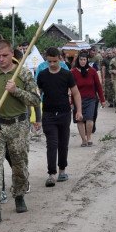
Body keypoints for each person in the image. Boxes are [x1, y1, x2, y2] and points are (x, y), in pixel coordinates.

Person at [0, 34, 40, 223]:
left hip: (19, 126)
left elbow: (35, 100)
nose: (1, 59)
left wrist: (16, 91)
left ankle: (19, 195)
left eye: (4, 55)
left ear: (11, 53)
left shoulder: (22, 74)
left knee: (19, 165)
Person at [36, 47, 82, 186]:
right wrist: (36, 116)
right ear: (46, 59)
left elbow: (76, 93)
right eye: (49, 61)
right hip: (48, 114)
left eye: (54, 61)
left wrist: (78, 110)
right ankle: (51, 174)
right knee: (52, 144)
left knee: (63, 143)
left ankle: (62, 170)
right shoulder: (42, 75)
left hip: (64, 113)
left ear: (59, 59)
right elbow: (37, 95)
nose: (52, 64)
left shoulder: (66, 74)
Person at [71, 49, 104, 146]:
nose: (82, 61)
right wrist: (71, 102)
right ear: (78, 60)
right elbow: (70, 88)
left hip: (91, 99)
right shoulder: (73, 72)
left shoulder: (92, 71)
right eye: (81, 59)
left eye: (84, 59)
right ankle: (83, 140)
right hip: (78, 100)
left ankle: (89, 137)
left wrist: (102, 100)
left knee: (89, 118)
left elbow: (98, 86)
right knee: (80, 119)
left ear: (87, 60)